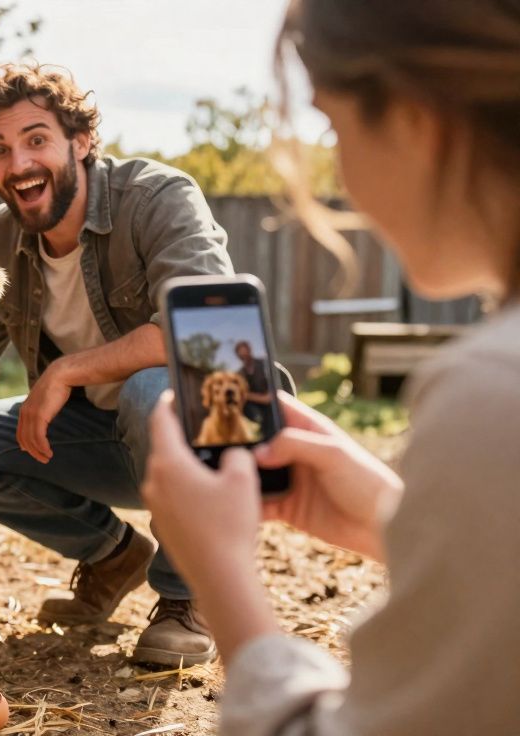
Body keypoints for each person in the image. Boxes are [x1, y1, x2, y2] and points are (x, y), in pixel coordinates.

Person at [141, 0, 520, 732]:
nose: (335, 173)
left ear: (414, 118)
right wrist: (393, 517)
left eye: (334, 126)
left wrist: (222, 578)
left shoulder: (491, 393)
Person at [0, 62, 235, 666]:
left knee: (149, 390)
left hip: (219, 434)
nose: (18, 164)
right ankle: (113, 556)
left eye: (36, 140)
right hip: (107, 441)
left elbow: (208, 329)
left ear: (80, 143)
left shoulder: (157, 197)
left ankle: (191, 598)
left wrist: (65, 371)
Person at [235, 340, 271, 427]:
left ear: (249, 351)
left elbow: (269, 398)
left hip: (269, 408)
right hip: (253, 411)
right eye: (241, 356)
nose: (244, 357)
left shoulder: (264, 365)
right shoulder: (240, 373)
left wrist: (247, 395)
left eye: (245, 354)